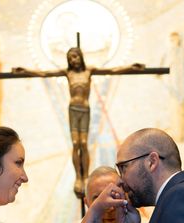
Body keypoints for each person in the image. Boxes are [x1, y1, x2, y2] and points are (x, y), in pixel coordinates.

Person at [11, 47, 145, 198]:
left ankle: (85, 176)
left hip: (85, 109)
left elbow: (112, 70)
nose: (73, 60)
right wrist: (24, 71)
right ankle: (78, 177)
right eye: (70, 58)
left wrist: (130, 67)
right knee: (76, 143)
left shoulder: (89, 71)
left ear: (80, 57)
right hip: (73, 110)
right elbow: (44, 73)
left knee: (83, 143)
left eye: (75, 57)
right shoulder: (69, 73)